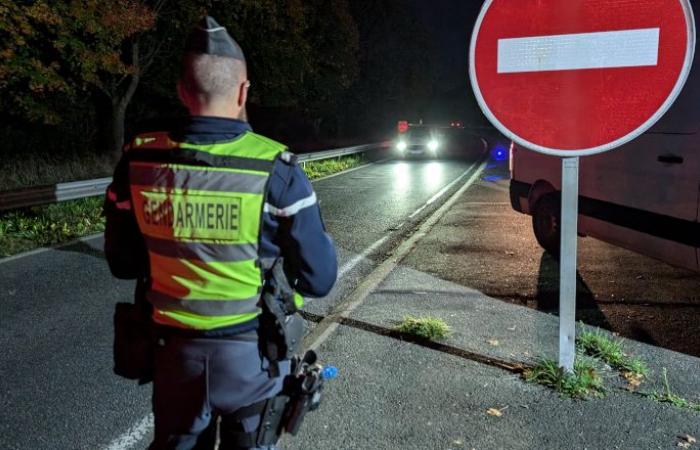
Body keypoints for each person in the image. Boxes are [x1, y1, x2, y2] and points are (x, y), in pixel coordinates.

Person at [103, 16, 338, 450]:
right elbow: (320, 280)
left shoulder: (139, 161)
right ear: (244, 91)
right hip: (251, 361)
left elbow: (122, 263)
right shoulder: (277, 169)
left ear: (181, 90)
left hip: (174, 358)